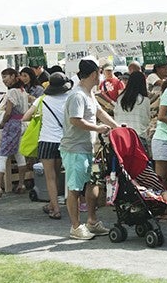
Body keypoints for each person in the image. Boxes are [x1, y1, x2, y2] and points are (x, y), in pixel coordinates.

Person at [61, 58, 119, 240]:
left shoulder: (89, 93)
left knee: (93, 183)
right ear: (94, 74)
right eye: (99, 73)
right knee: (75, 188)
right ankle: (76, 227)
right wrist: (98, 128)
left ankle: (92, 222)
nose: (100, 77)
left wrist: (117, 127)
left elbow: (99, 112)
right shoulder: (77, 95)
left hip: (88, 148)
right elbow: (75, 120)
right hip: (75, 150)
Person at [23, 71, 71, 220]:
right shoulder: (69, 99)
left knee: (49, 177)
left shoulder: (42, 100)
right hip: (64, 141)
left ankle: (55, 208)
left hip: (46, 140)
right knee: (57, 175)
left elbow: (26, 116)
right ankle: (52, 204)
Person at [0, 69, 29, 197]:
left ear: (13, 76)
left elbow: (8, 112)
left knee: (2, 155)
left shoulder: (12, 92)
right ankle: (21, 184)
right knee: (19, 154)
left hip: (12, 125)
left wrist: (2, 124)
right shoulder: (23, 91)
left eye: (5, 77)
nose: (4, 80)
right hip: (22, 124)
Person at [114, 71, 152, 151]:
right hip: (138, 138)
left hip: (121, 138)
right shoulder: (144, 100)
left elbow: (116, 116)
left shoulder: (120, 99)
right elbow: (146, 121)